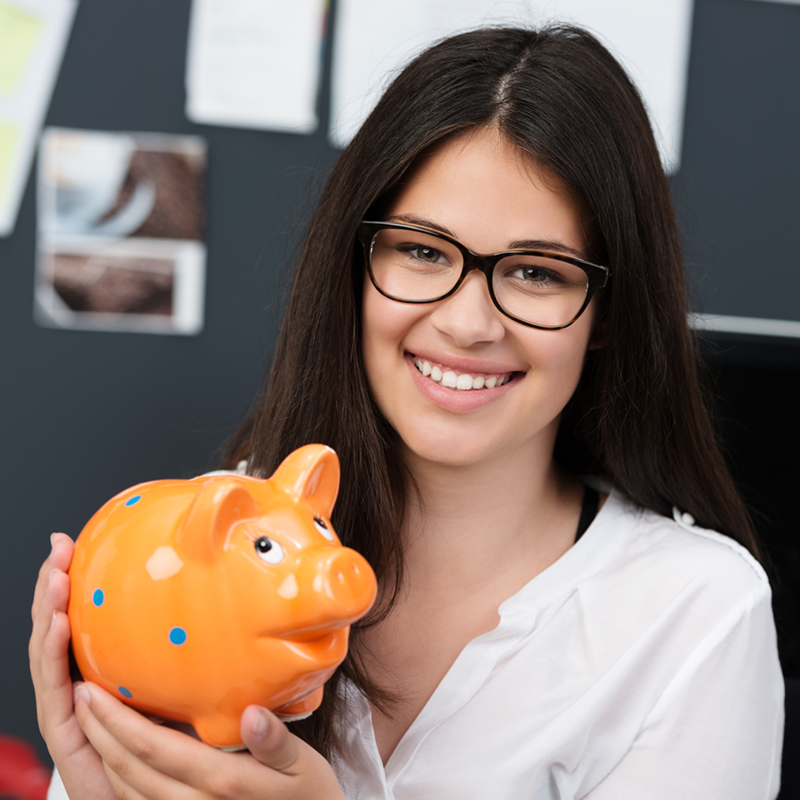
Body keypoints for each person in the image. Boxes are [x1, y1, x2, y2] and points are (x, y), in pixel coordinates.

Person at [30, 24, 784, 800]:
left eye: (535, 272)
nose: (466, 324)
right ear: (355, 266)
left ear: (610, 313)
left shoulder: (694, 615)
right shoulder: (205, 544)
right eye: (422, 252)